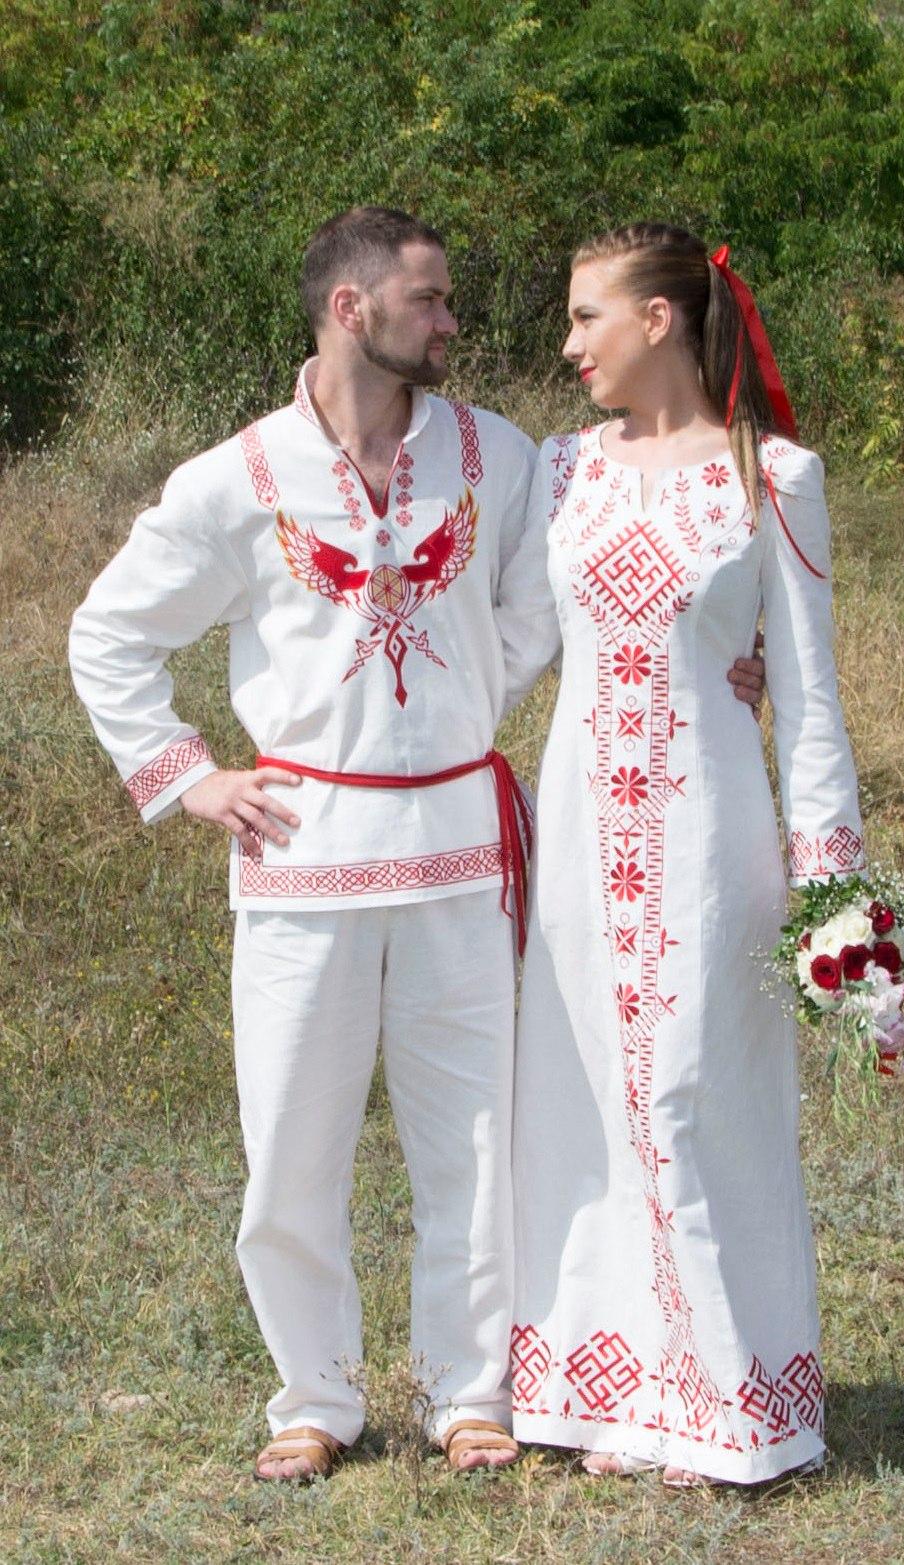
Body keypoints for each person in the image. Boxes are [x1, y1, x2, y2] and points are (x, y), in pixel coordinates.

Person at [69, 204, 768, 1482]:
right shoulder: (242, 476)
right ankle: (312, 1395)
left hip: (459, 851)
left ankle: (469, 1387)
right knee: (292, 1146)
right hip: (301, 856)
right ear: (353, 309)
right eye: (430, 299)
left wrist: (481, 701)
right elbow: (109, 632)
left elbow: (555, 598)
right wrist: (190, 777)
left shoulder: (500, 454)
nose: (453, 320)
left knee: (475, 1140)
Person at [499, 224, 865, 1486]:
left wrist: (837, 896)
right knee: (591, 1100)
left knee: (693, 1100)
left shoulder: (775, 476)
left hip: (713, 840)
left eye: (586, 315)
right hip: (581, 838)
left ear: (659, 319)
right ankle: (614, 1394)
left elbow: (809, 700)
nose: (569, 344)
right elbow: (513, 647)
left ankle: (727, 1395)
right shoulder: (561, 469)